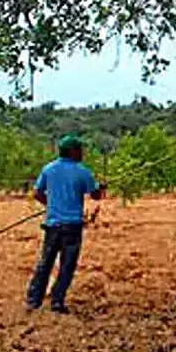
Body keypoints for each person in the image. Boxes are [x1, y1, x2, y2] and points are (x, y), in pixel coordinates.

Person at [25, 133, 105, 313]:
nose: (82, 153)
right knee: (67, 265)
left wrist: (51, 204)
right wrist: (101, 188)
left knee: (45, 263)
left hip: (52, 225)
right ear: (72, 152)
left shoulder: (48, 169)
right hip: (72, 227)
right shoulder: (83, 172)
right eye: (80, 150)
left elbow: (37, 193)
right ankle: (57, 301)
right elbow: (95, 195)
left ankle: (33, 300)